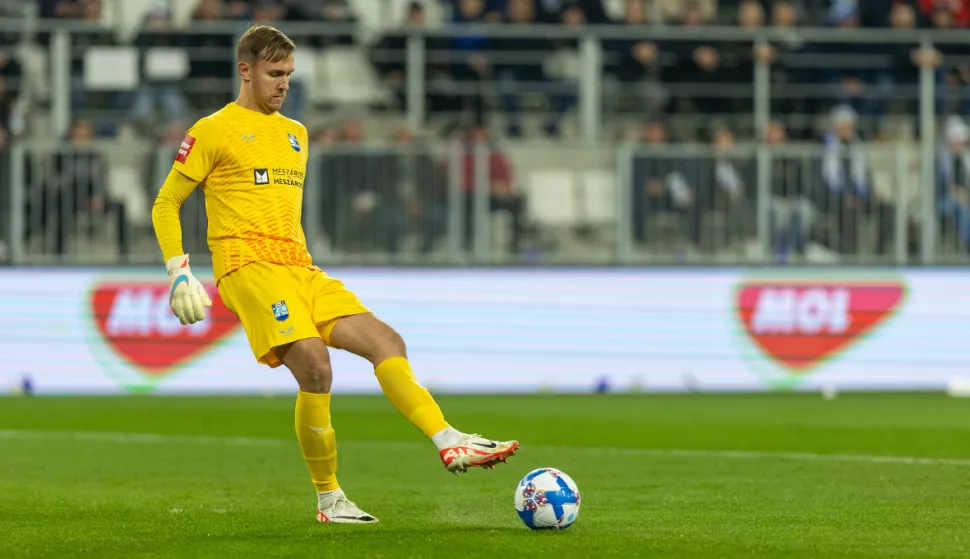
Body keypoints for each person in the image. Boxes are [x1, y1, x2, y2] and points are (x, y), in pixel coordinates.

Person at [151, 25, 519, 525]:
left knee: (386, 341)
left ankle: (449, 440)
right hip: (248, 267)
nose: (284, 83)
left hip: (300, 267)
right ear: (245, 71)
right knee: (315, 365)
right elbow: (167, 203)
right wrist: (178, 270)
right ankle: (330, 499)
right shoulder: (213, 129)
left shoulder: (297, 134)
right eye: (274, 73)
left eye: (289, 74)